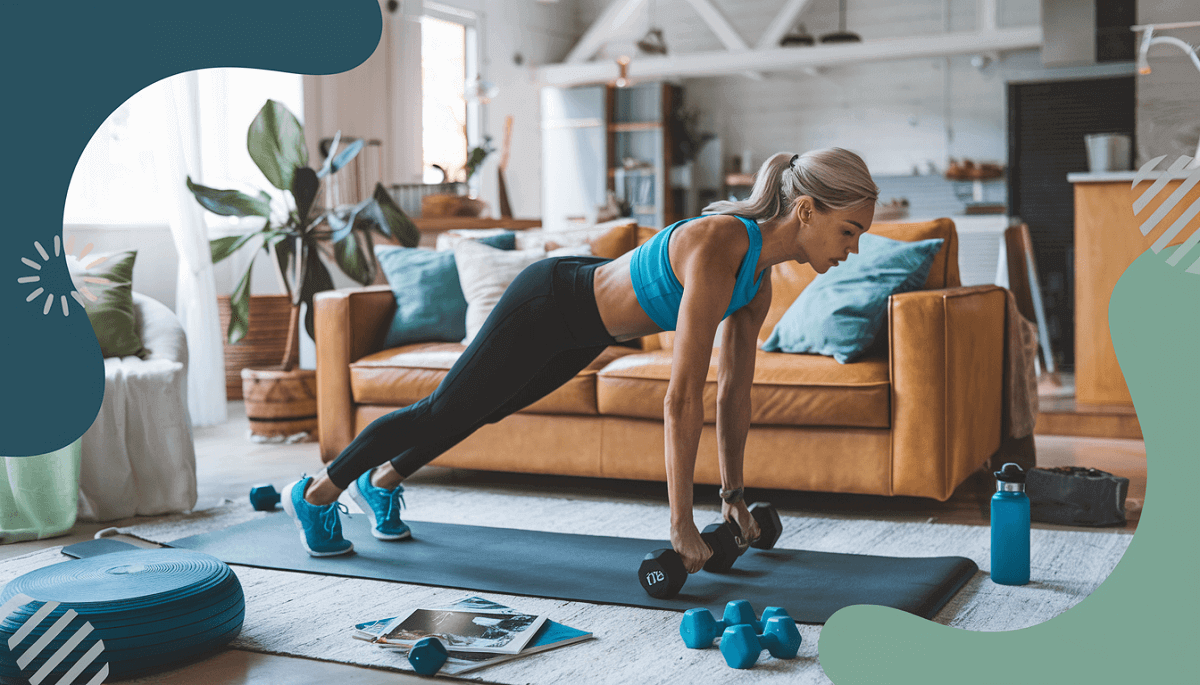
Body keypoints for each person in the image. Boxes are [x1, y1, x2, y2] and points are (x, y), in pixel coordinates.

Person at [282, 147, 879, 574]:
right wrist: (679, 524)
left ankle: (383, 480)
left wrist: (733, 495)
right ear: (806, 211)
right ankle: (316, 493)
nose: (852, 249)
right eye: (849, 231)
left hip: (583, 332)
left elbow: (733, 396)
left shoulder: (759, 282)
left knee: (490, 408)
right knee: (445, 409)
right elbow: (682, 397)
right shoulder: (722, 242)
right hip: (549, 300)